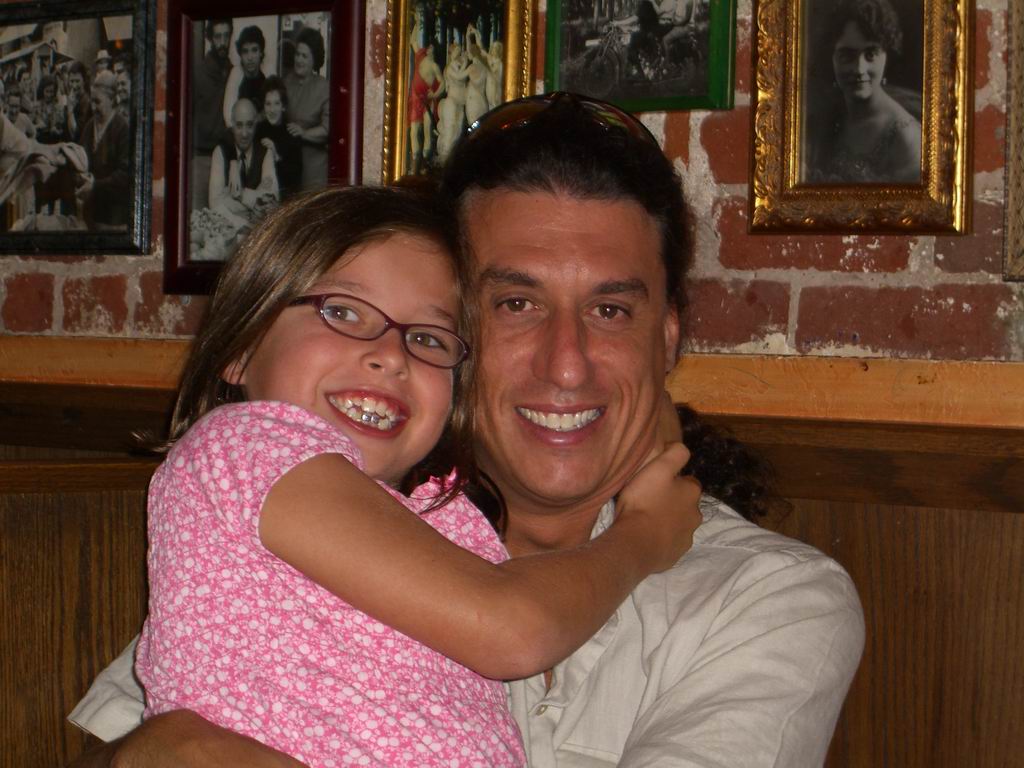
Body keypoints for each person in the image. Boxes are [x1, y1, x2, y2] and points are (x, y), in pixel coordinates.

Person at [69, 93, 865, 767]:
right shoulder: (322, 508)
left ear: (667, 340)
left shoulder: (768, 601)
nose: (566, 364)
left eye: (610, 310)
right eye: (515, 303)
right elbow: (138, 741)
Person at [137, 182, 700, 765]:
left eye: (427, 339)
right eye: (342, 312)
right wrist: (643, 535)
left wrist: (657, 446)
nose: (391, 356)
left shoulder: (410, 512)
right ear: (242, 344)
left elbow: (647, 416)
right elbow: (513, 630)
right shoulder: (249, 451)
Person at [803, 0, 921, 184]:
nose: (859, 69)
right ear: (832, 57)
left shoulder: (907, 140)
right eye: (847, 56)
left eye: (870, 54)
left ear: (886, 55)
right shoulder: (828, 118)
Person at [75, 70, 130, 230]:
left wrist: (95, 185)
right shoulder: (89, 126)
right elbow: (80, 157)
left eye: (97, 102)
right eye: (92, 101)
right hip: (91, 213)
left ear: (112, 99)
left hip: (114, 217)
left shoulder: (122, 128)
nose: (93, 107)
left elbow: (124, 174)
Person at [208, 97, 278, 219]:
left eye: (249, 125)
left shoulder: (265, 152)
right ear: (232, 125)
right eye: (239, 125)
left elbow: (271, 200)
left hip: (258, 226)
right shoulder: (220, 152)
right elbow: (214, 203)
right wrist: (254, 200)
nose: (244, 134)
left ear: (255, 124)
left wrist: (240, 195)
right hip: (230, 226)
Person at [192, 18, 233, 209]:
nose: (222, 42)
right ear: (209, 38)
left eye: (226, 36)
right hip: (203, 158)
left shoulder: (233, 72)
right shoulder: (198, 73)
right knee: (199, 214)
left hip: (226, 157)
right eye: (218, 37)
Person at [284, 25, 330, 190]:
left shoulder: (324, 87)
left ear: (314, 60)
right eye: (297, 54)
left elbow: (327, 129)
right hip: (289, 165)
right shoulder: (287, 82)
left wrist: (303, 133)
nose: (299, 60)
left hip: (314, 168)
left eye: (304, 56)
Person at [255, 76, 303, 200]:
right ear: (263, 106)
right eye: (268, 104)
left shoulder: (292, 133)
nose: (272, 110)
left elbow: (295, 181)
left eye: (277, 103)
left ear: (283, 106)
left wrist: (276, 156)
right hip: (259, 195)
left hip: (284, 199)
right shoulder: (258, 130)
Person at [406, 16, 442, 176]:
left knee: (427, 129)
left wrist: (435, 93)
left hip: (427, 100)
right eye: (430, 48)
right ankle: (415, 161)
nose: (430, 50)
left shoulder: (434, 66)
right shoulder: (420, 57)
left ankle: (425, 164)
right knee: (414, 130)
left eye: (433, 48)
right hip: (416, 99)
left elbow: (443, 83)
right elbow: (412, 41)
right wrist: (416, 23)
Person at [222, 25, 268, 127]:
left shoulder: (267, 73)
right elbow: (228, 117)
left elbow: (273, 111)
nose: (250, 57)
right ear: (240, 55)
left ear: (261, 52)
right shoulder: (236, 74)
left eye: (254, 50)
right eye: (245, 51)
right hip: (240, 131)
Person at [65, 61, 91, 143]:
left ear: (84, 81)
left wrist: (70, 109)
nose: (74, 85)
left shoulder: (86, 102)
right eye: (71, 81)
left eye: (77, 81)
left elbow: (76, 135)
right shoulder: (73, 99)